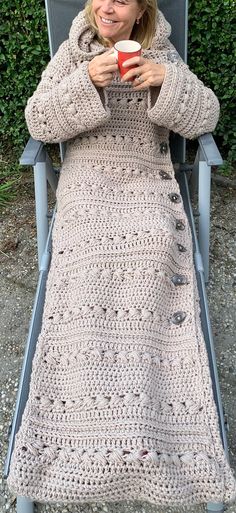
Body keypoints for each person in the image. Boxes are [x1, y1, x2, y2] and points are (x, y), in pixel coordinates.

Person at [7, 0, 236, 506]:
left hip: (146, 181)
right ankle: (73, 427)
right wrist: (85, 79)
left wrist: (166, 83)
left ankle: (152, 419)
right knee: (84, 266)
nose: (109, 5)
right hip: (88, 183)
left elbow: (206, 115)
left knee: (155, 251)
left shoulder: (162, 53)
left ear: (139, 14)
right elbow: (40, 121)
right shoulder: (72, 53)